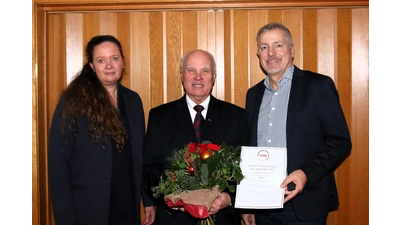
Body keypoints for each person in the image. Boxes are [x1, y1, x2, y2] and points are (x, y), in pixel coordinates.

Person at [242, 22, 352, 225]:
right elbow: (250, 147)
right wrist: (248, 205)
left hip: (303, 205)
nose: (271, 53)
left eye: (278, 45)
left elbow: (340, 141)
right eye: (264, 47)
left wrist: (305, 174)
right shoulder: (253, 94)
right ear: (258, 54)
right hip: (262, 204)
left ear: (292, 51)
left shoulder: (318, 86)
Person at [47, 35, 152, 225]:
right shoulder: (72, 103)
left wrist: (148, 200)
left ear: (122, 62)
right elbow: (58, 166)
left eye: (114, 58)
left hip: (127, 208)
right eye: (101, 60)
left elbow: (139, 157)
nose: (109, 65)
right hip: (88, 211)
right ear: (92, 66)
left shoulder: (133, 100)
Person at [141, 49, 251, 225]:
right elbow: (150, 169)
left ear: (214, 76)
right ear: (182, 75)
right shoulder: (159, 117)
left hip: (222, 218)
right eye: (191, 70)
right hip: (175, 219)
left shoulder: (236, 117)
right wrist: (173, 199)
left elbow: (245, 168)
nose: (198, 77)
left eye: (205, 71)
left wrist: (229, 199)